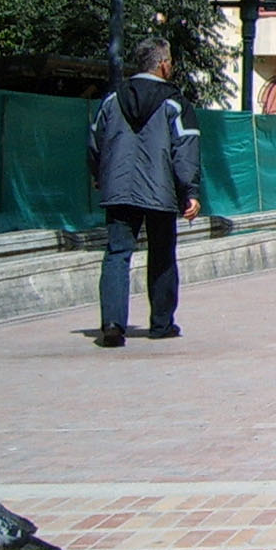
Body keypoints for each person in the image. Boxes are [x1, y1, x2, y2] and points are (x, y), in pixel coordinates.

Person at [87, 38, 201, 346]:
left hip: (118, 188)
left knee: (116, 254)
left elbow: (95, 140)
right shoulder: (175, 103)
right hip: (161, 191)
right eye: (171, 61)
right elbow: (185, 147)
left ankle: (112, 324)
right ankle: (161, 324)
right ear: (163, 64)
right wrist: (189, 190)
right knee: (162, 255)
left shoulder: (111, 99)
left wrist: (99, 175)